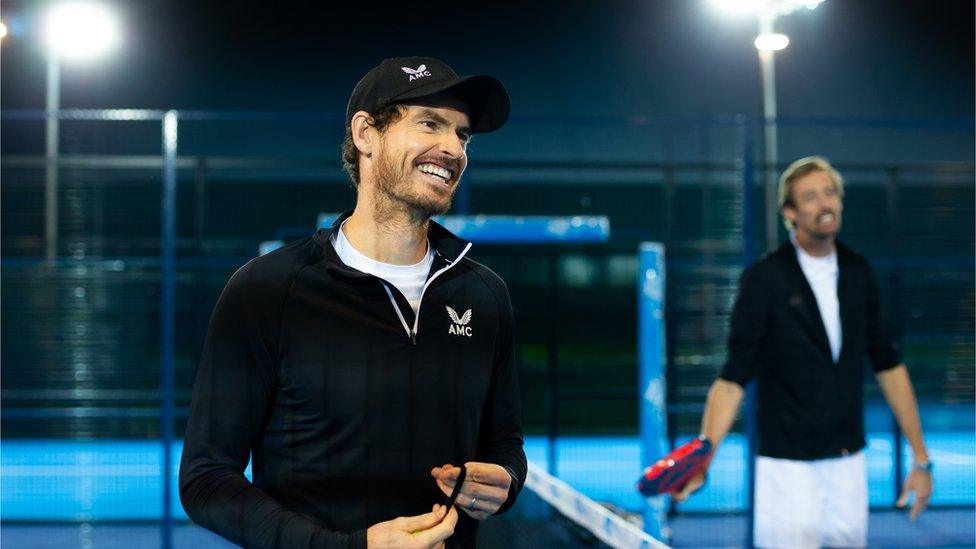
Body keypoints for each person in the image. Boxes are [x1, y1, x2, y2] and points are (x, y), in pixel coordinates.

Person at [179, 56, 526, 549]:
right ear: (366, 134)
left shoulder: (485, 295)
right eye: (430, 123)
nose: (452, 148)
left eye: (462, 135)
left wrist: (505, 481)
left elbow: (505, 443)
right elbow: (206, 481)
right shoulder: (267, 291)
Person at [673, 156, 933, 548]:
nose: (824, 204)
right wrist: (703, 457)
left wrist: (920, 459)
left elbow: (890, 366)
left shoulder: (858, 272)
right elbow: (732, 381)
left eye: (830, 193)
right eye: (810, 197)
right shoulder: (763, 280)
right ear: (790, 213)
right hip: (786, 469)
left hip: (847, 464)